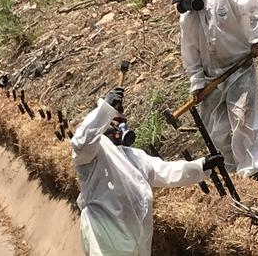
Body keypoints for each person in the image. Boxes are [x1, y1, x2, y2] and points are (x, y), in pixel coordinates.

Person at [71, 86, 223, 256]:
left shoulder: (133, 156)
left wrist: (201, 166)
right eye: (115, 122)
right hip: (105, 234)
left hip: (135, 235)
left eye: (122, 123)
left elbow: (165, 171)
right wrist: (106, 107)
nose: (120, 128)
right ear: (102, 123)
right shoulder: (91, 153)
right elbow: (82, 140)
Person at [167, 0, 258, 178]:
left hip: (239, 68)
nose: (186, 3)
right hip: (211, 78)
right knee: (217, 131)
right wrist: (197, 82)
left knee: (243, 120)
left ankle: (251, 172)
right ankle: (233, 173)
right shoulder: (187, 19)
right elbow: (189, 51)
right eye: (181, 0)